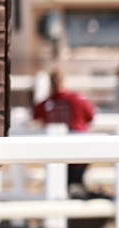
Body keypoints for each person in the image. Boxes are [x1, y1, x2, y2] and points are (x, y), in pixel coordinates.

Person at [31, 68, 97, 198]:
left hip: (56, 149)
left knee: (62, 181)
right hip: (79, 147)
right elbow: (90, 115)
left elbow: (35, 116)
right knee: (75, 181)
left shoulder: (47, 103)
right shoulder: (76, 99)